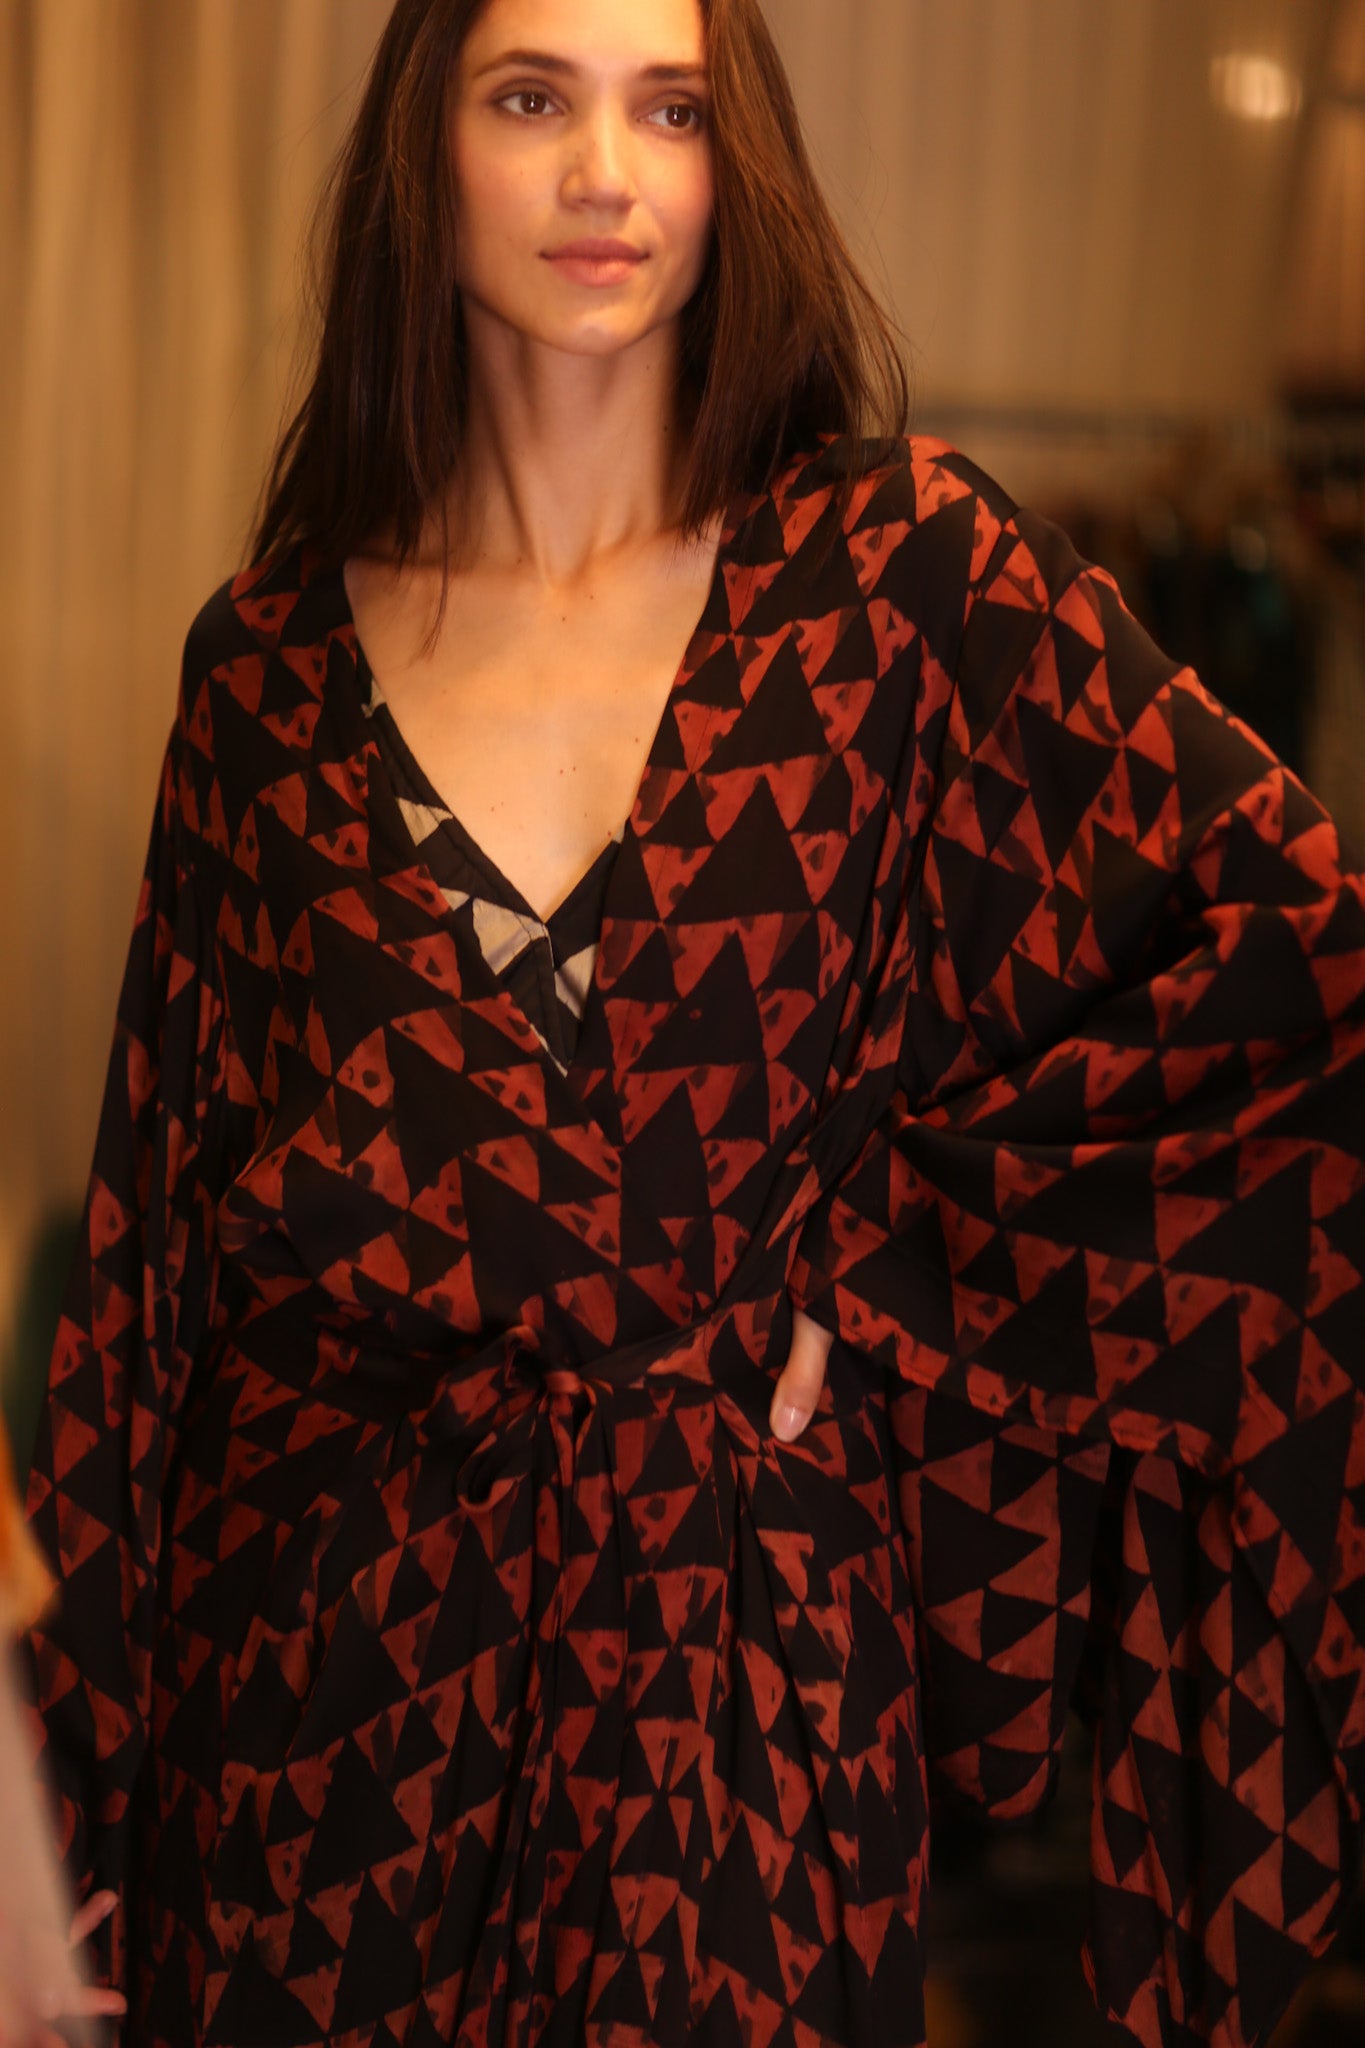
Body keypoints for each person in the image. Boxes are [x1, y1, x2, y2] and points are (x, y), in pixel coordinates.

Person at [19, 0, 1365, 2042]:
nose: (600, 173)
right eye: (530, 97)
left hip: (741, 1718)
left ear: (736, 173)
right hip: (316, 1719)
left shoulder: (892, 588)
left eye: (669, 110)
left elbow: (1285, 959)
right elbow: (150, 1274)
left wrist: (893, 1265)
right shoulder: (267, 669)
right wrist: (76, 1836)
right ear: (423, 149)